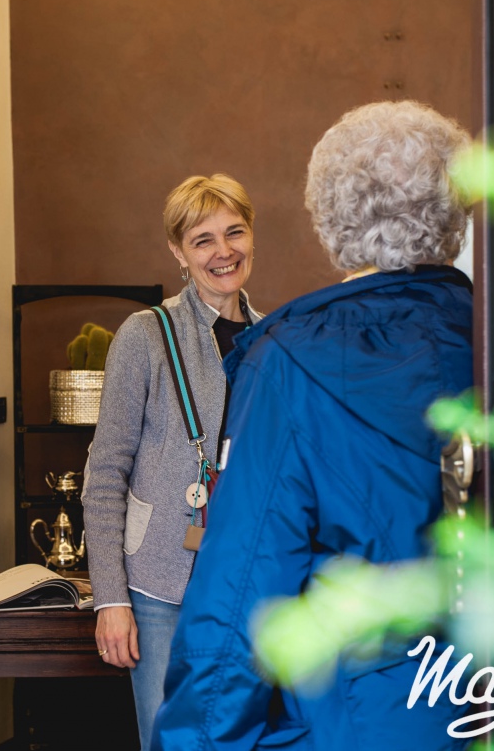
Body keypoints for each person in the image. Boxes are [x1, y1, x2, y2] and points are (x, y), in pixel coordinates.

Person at [152, 102, 475, 750]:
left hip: (357, 719)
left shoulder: (291, 361)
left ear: (328, 220)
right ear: (456, 214)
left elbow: (242, 595)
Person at [82, 173, 262, 750]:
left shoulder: (273, 341)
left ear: (252, 236)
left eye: (234, 232)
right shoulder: (145, 335)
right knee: (171, 741)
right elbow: (105, 474)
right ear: (179, 253)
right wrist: (112, 599)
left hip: (248, 583)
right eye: (202, 239)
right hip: (158, 586)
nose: (223, 251)